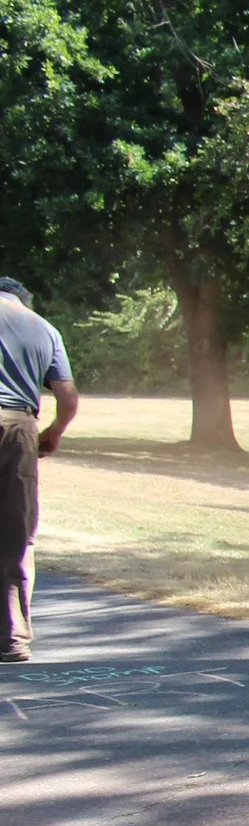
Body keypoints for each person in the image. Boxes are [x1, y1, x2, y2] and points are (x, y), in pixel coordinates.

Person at [0, 278, 78, 663]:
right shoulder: (43, 327)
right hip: (19, 429)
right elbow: (66, 395)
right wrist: (53, 434)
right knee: (17, 533)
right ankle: (14, 638)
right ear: (23, 300)